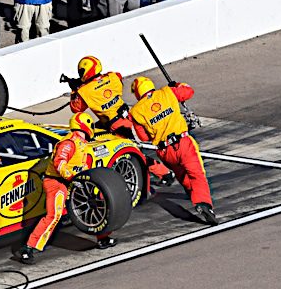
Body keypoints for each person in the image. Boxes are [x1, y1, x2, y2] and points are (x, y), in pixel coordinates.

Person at [19, 112, 115, 265]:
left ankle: (103, 238)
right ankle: (28, 248)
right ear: (85, 125)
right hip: (56, 182)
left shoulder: (82, 142)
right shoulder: (69, 143)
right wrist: (71, 176)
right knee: (54, 215)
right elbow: (60, 163)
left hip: (74, 181)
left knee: (94, 204)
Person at [69, 56, 174, 184]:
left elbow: (76, 108)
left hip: (116, 127)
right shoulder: (112, 77)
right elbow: (118, 77)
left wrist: (75, 89)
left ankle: (165, 173)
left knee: (132, 152)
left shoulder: (84, 91)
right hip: (127, 118)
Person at [129, 77, 218, 225]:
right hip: (183, 143)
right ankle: (203, 203)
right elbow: (189, 91)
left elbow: (142, 136)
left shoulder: (136, 111)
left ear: (138, 93)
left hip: (165, 152)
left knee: (182, 175)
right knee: (197, 174)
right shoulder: (167, 92)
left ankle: (193, 194)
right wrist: (177, 85)